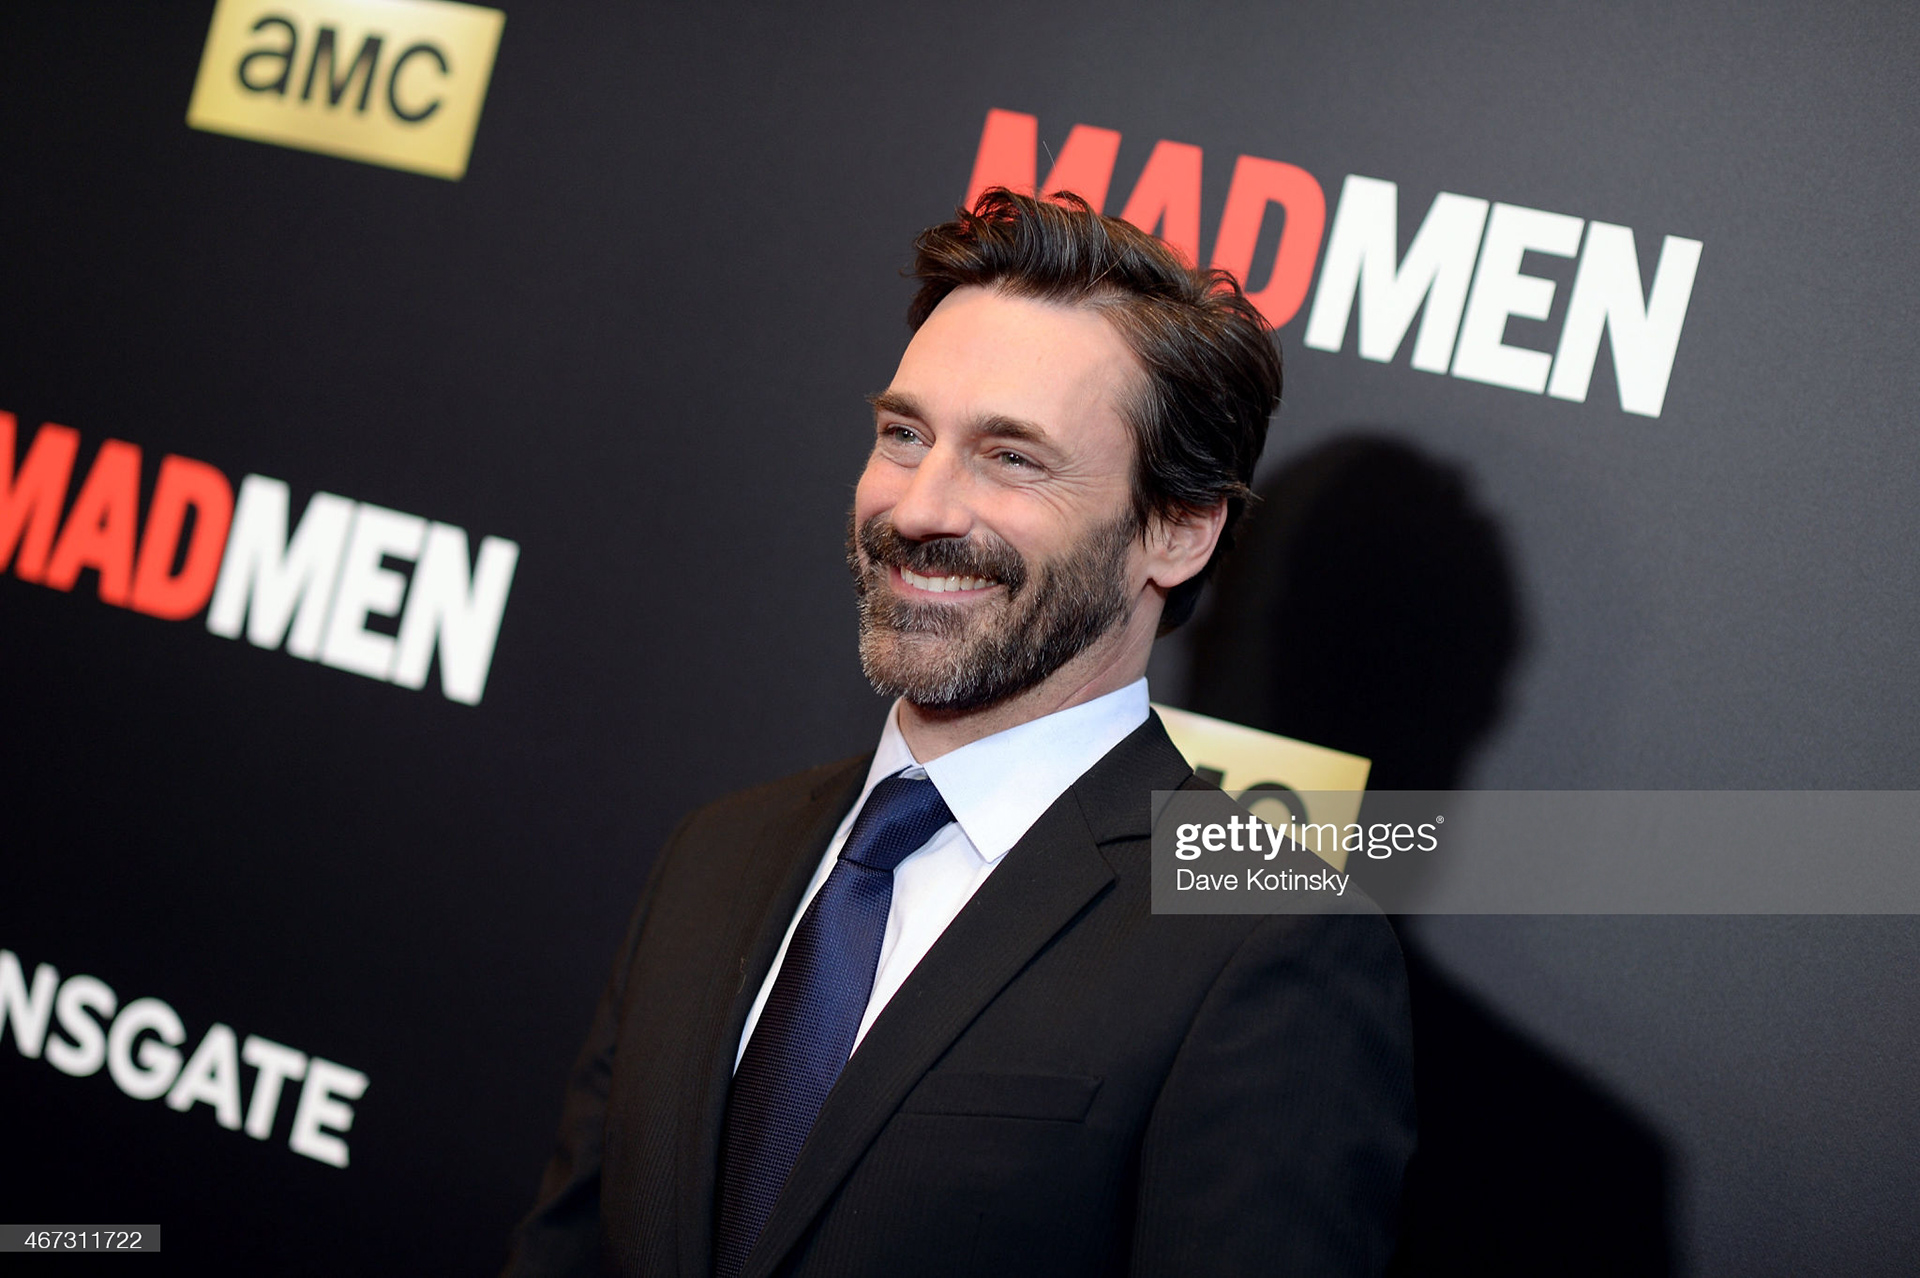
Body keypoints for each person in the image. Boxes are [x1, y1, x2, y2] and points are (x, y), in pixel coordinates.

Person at [503, 189, 1414, 1278]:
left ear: (1175, 531)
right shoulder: (718, 853)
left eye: (1011, 457)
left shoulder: (1262, 940)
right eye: (904, 435)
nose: (919, 508)